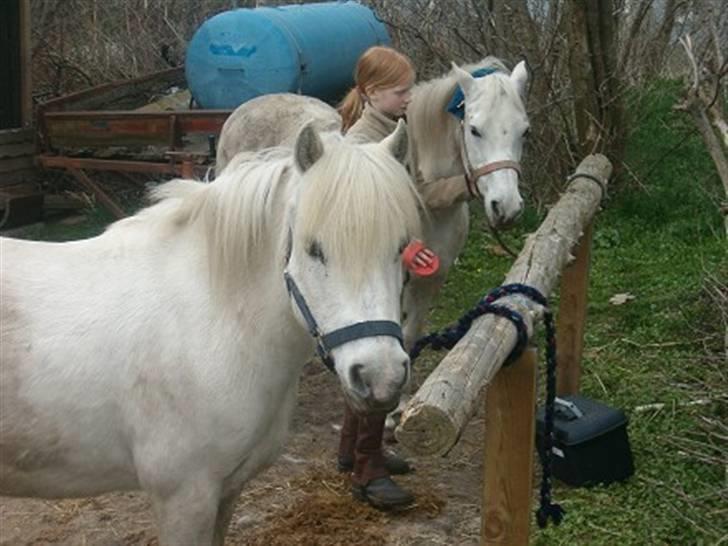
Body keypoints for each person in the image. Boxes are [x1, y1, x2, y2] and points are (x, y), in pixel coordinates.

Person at [336, 45, 458, 511]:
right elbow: (364, 216)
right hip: (370, 271)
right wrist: (403, 245)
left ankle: (352, 451)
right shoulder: (361, 144)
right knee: (382, 361)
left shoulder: (393, 130)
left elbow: (407, 197)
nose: (409, 97)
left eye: (410, 88)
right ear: (370, 93)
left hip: (387, 262)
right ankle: (369, 469)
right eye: (400, 90)